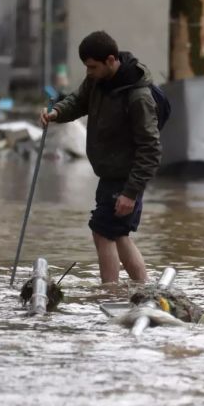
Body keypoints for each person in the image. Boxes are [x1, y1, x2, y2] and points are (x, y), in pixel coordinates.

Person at [39, 31, 161, 284]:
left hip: (126, 178)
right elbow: (78, 101)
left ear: (110, 60)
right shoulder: (96, 80)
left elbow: (150, 148)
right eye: (86, 67)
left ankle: (110, 291)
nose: (89, 71)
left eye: (93, 66)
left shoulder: (138, 97)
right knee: (118, 234)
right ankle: (142, 287)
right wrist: (57, 113)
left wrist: (131, 192)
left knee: (102, 231)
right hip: (108, 173)